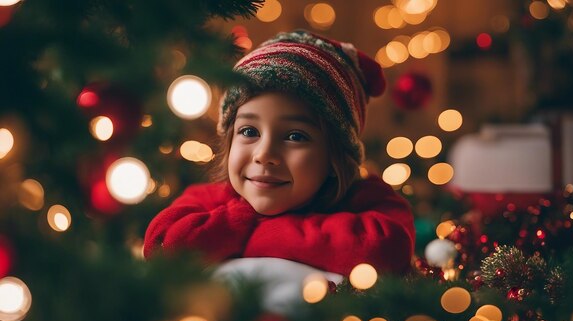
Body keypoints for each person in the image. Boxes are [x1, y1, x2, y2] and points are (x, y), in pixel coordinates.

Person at [143, 30, 415, 285]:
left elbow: (388, 249)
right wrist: (240, 217)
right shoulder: (209, 198)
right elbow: (162, 244)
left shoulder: (368, 198)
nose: (264, 155)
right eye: (249, 131)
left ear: (335, 156)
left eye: (295, 136)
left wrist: (254, 231)